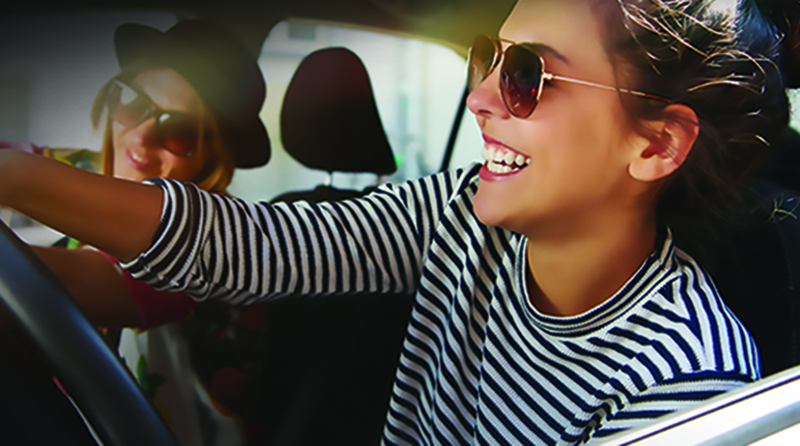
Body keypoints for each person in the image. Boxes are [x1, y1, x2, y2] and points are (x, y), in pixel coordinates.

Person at [0, 0, 795, 443]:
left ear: (654, 145)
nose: (481, 97)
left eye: (527, 76)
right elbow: (253, 247)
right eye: (489, 56)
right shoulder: (460, 215)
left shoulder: (680, 383)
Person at [2, 19, 270, 445]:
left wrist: (16, 178)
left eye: (178, 130)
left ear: (208, 159)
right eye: (132, 102)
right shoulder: (87, 167)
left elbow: (69, 279)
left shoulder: (201, 253)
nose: (142, 137)